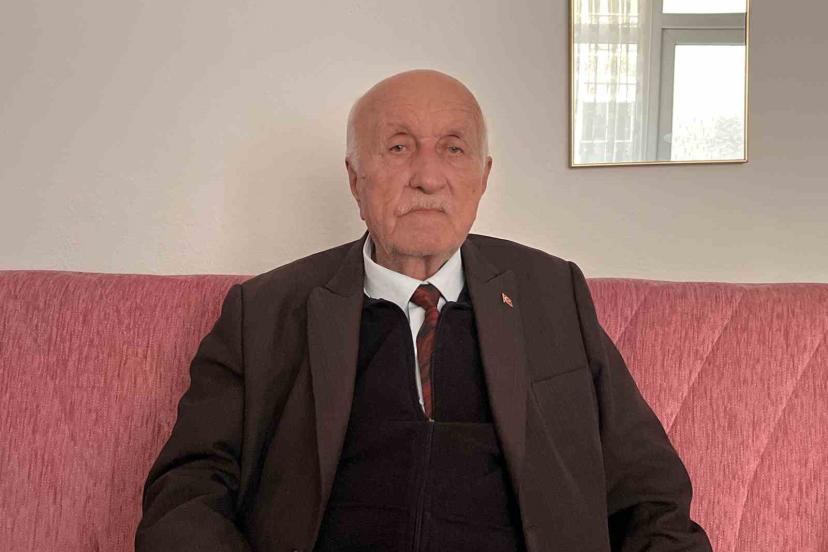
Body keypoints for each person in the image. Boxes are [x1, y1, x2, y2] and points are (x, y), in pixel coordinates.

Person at [135, 69, 712, 551]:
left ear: (483, 178)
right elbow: (186, 493)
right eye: (398, 147)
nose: (428, 177)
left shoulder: (554, 293)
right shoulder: (264, 311)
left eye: (454, 149)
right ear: (354, 178)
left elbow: (651, 497)